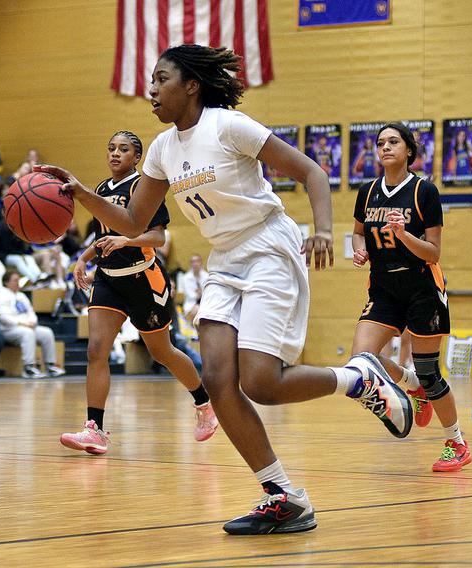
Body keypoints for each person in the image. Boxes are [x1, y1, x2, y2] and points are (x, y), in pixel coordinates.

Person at [37, 44, 414, 535]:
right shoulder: (161, 149)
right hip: (225, 260)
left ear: (191, 85)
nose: (151, 90)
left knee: (262, 383)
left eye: (161, 79)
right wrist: (82, 194)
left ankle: (358, 378)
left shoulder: (229, 126)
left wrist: (322, 228)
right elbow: (132, 220)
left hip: (268, 248)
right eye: (151, 81)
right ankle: (285, 496)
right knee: (217, 382)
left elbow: (312, 172)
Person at [60, 130, 217, 453]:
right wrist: (84, 259)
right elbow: (105, 236)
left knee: (163, 352)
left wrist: (128, 240)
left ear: (137, 158)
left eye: (124, 149)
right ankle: (95, 430)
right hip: (108, 279)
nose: (115, 153)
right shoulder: (103, 189)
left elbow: (158, 239)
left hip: (143, 279)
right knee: (96, 351)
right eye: (111, 148)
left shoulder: (143, 188)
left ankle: (204, 404)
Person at [350, 122, 470, 472]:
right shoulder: (367, 191)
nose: (385, 147)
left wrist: (403, 235)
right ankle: (410, 383)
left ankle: (457, 442)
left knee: (431, 373)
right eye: (380, 142)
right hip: (384, 287)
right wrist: (361, 251)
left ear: (408, 151)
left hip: (421, 287)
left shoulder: (424, 191)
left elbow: (433, 253)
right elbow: (358, 233)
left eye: (393, 141)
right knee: (362, 359)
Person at [0, 270, 65, 378]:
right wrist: (22, 323)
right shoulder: (0, 296)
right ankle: (29, 368)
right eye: (15, 280)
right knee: (28, 333)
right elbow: (3, 317)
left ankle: (50, 366)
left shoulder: (21, 296)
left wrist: (32, 322)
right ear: (6, 282)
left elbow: (30, 312)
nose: (18, 283)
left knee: (47, 332)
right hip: (8, 329)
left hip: (27, 326)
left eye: (18, 280)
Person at [181, 253, 208, 323]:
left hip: (205, 303)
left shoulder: (207, 276)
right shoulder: (185, 278)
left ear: (201, 263)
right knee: (197, 310)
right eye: (193, 262)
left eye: (197, 261)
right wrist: (200, 293)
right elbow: (190, 295)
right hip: (191, 304)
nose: (195, 264)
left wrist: (200, 293)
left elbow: (208, 293)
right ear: (190, 264)